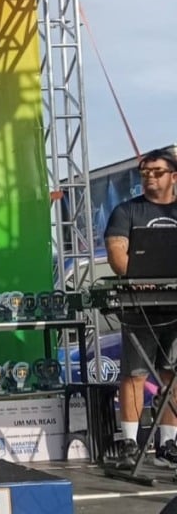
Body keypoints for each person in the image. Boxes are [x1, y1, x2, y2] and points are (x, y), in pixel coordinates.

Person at [104, 148, 177, 469]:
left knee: (172, 374)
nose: (150, 178)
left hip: (174, 302)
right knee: (135, 373)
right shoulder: (127, 211)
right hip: (141, 304)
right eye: (145, 173)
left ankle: (168, 444)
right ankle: (130, 443)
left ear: (173, 176)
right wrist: (136, 275)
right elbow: (116, 252)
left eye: (157, 172)